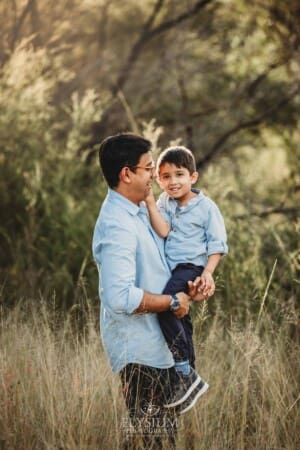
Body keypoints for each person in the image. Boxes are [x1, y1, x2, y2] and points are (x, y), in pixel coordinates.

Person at [92, 133, 209, 449]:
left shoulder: (143, 208)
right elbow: (119, 297)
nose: (154, 176)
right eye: (147, 169)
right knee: (151, 442)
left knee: (162, 439)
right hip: (141, 355)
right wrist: (172, 302)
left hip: (162, 347)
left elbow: (165, 262)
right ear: (126, 174)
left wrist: (192, 285)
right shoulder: (116, 224)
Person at [145, 145, 228, 414]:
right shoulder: (163, 203)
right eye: (165, 176)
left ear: (193, 177)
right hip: (171, 270)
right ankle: (190, 371)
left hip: (190, 268)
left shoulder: (206, 207)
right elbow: (164, 229)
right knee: (182, 317)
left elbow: (217, 245)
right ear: (158, 180)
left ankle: (182, 369)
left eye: (179, 174)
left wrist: (207, 273)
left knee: (166, 307)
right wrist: (149, 203)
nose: (173, 182)